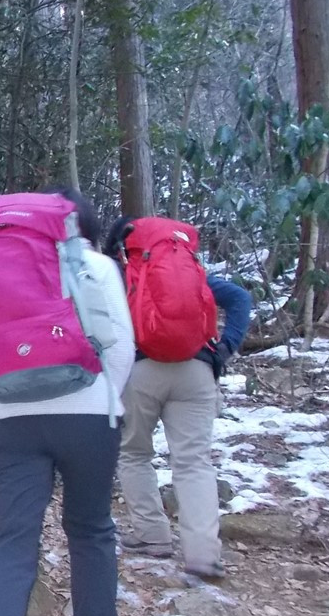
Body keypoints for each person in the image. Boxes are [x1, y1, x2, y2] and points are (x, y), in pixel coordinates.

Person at [0, 191, 135, 616]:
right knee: (89, 528)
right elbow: (121, 344)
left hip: (10, 416)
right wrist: (104, 400)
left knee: (12, 540)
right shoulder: (95, 264)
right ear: (80, 226)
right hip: (87, 410)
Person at [105, 216, 254, 580]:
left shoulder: (122, 272)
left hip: (141, 371)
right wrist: (225, 347)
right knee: (194, 462)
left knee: (134, 453)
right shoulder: (192, 272)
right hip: (197, 370)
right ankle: (204, 554)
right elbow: (240, 298)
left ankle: (152, 535)